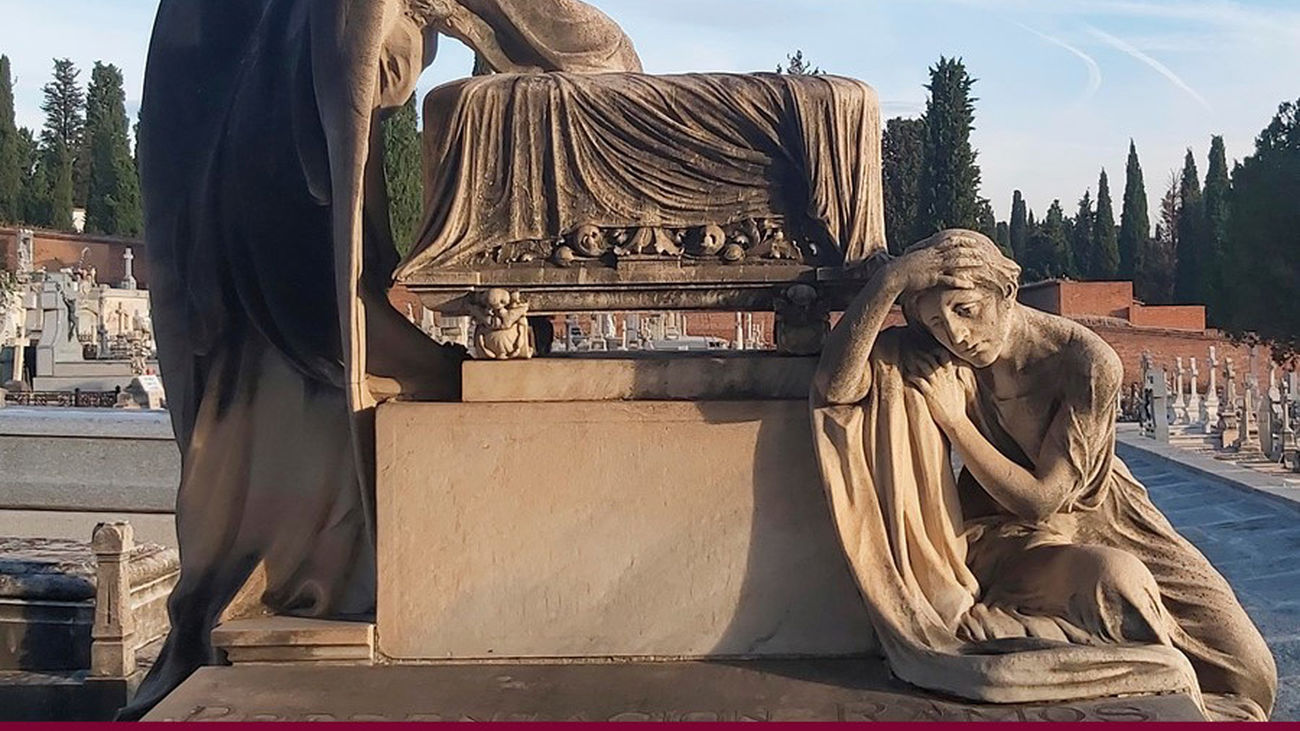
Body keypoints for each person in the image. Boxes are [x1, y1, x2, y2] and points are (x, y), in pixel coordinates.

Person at [811, 229, 1276, 721]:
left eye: (966, 310)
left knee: (1250, 674)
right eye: (936, 323)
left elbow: (1042, 500)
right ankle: (1080, 648)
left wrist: (954, 421)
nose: (957, 335)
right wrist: (889, 282)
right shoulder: (942, 353)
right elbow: (835, 387)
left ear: (1007, 292)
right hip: (1008, 536)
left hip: (1105, 515)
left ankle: (1055, 638)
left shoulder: (1085, 362)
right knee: (1114, 583)